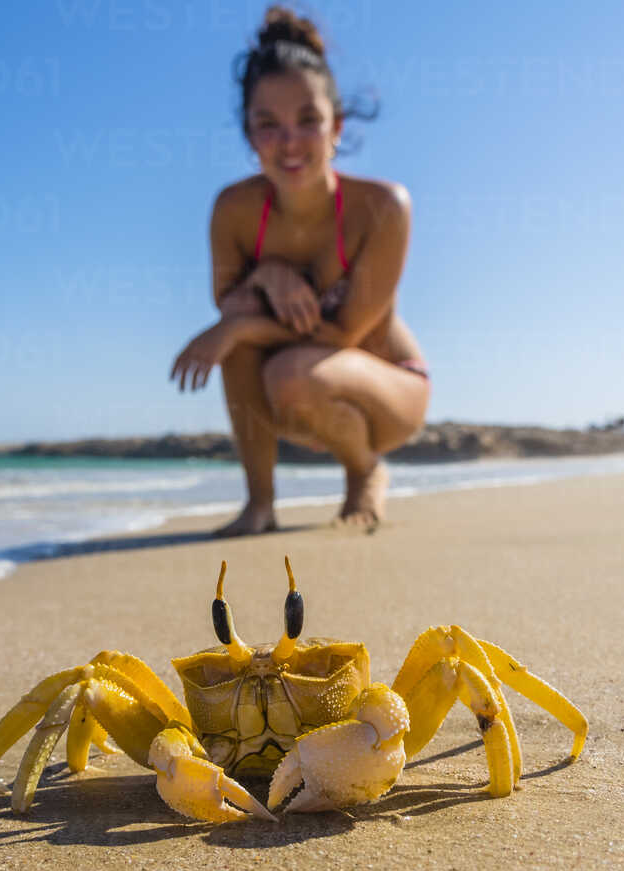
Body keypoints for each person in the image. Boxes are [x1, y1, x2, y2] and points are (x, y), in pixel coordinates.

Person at [170, 6, 429, 536]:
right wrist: (265, 275)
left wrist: (240, 324)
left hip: (385, 391)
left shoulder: (383, 207)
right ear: (248, 134)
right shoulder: (234, 211)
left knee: (274, 360)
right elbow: (231, 308)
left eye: (307, 121)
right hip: (292, 394)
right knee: (245, 339)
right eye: (268, 124)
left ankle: (365, 471)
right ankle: (259, 504)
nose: (289, 142)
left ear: (337, 125)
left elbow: (338, 335)